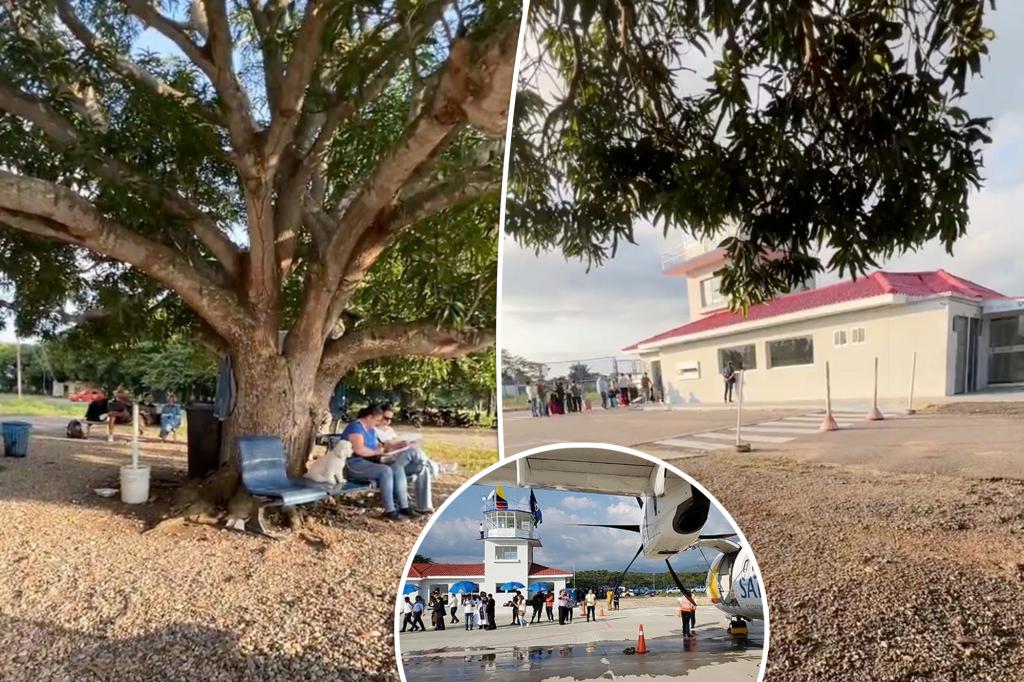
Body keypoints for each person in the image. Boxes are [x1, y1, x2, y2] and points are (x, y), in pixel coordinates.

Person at [341, 404, 420, 522]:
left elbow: (377, 448)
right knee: (385, 471)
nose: (378, 423)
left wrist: (396, 447)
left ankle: (404, 506)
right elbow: (359, 450)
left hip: (369, 461)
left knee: (397, 468)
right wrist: (376, 452)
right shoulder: (355, 428)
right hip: (353, 464)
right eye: (377, 420)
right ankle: (390, 511)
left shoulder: (371, 430)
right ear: (369, 417)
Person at [377, 403, 435, 514]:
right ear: (379, 415)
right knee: (414, 452)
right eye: (386, 418)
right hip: (389, 462)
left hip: (401, 460)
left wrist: (407, 443)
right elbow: (380, 450)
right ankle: (434, 465)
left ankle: (424, 506)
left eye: (390, 419)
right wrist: (396, 446)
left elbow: (397, 441)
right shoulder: (373, 431)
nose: (388, 421)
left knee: (423, 468)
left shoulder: (389, 430)